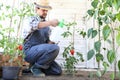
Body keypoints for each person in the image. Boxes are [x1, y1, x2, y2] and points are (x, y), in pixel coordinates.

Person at [22, 0, 62, 77]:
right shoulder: (30, 19)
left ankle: (33, 67)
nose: (45, 12)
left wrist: (53, 39)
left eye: (46, 11)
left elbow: (48, 45)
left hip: (40, 53)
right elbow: (35, 25)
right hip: (29, 52)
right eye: (43, 10)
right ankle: (36, 67)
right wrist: (50, 22)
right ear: (37, 9)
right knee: (55, 48)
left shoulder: (46, 26)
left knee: (57, 71)